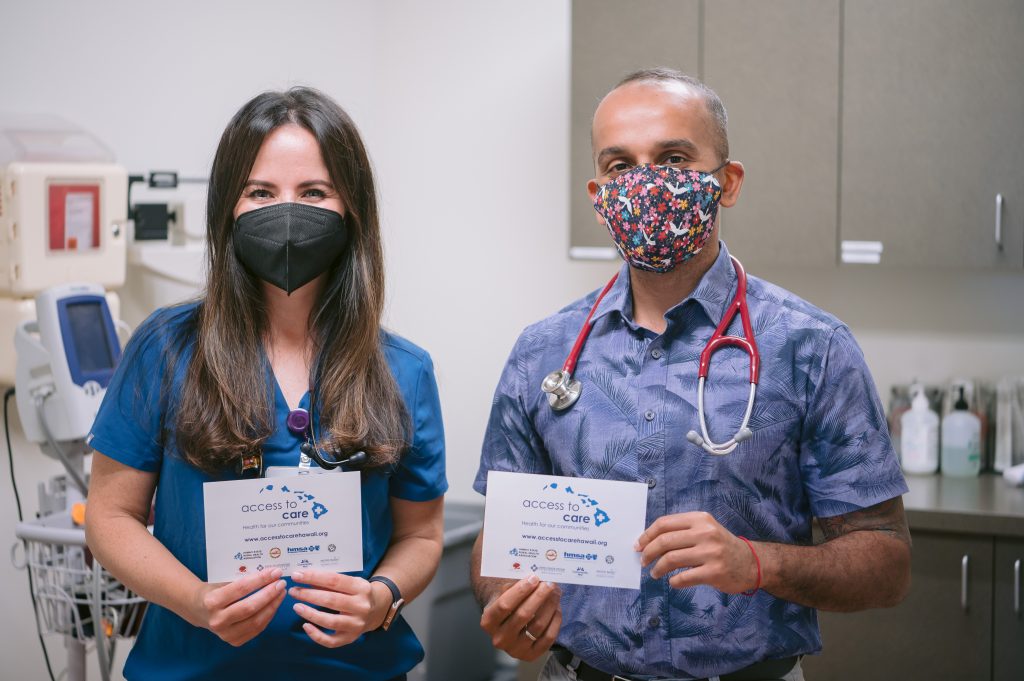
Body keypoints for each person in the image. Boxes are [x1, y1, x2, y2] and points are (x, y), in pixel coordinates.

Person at [470, 68, 911, 681]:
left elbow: (886, 563)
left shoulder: (811, 347)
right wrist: (505, 601)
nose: (645, 182)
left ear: (728, 182)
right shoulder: (542, 352)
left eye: (673, 158)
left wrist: (757, 563)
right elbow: (499, 538)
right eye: (620, 165)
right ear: (599, 196)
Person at [85, 87, 447, 681]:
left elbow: (422, 534)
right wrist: (194, 602)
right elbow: (110, 516)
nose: (287, 211)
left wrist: (382, 598)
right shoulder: (165, 347)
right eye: (260, 192)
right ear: (227, 207)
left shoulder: (403, 369)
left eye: (314, 192)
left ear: (352, 209)